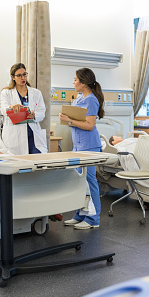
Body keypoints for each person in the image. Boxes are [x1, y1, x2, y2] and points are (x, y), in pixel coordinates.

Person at [59, 68, 104, 230]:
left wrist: (69, 121)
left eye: (75, 79)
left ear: (84, 83)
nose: (73, 82)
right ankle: (81, 214)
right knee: (79, 182)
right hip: (79, 145)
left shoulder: (91, 100)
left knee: (90, 181)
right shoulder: (80, 99)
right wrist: (67, 119)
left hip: (89, 146)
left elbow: (90, 125)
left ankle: (93, 218)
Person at [0, 63, 47, 155]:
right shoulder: (6, 92)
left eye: (24, 74)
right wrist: (11, 107)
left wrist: (34, 115)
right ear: (13, 77)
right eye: (19, 75)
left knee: (37, 161)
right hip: (15, 136)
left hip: (33, 136)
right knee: (19, 164)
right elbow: (3, 109)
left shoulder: (36, 93)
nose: (23, 78)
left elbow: (42, 112)